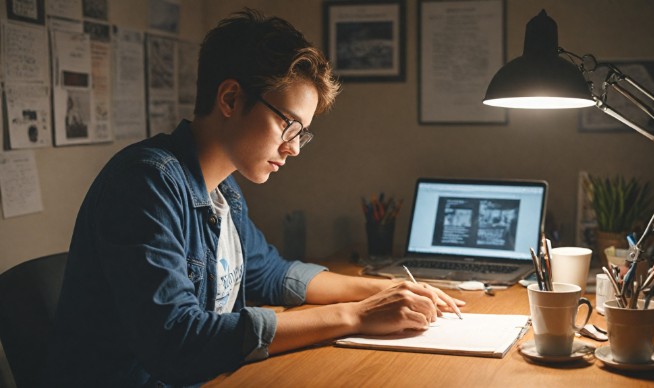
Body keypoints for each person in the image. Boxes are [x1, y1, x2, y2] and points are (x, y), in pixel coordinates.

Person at [45, 9, 464, 387]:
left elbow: (271, 273)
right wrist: (355, 317)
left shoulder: (224, 188)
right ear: (230, 98)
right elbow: (176, 340)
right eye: (288, 125)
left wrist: (379, 292)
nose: (295, 148)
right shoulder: (145, 183)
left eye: (302, 132)